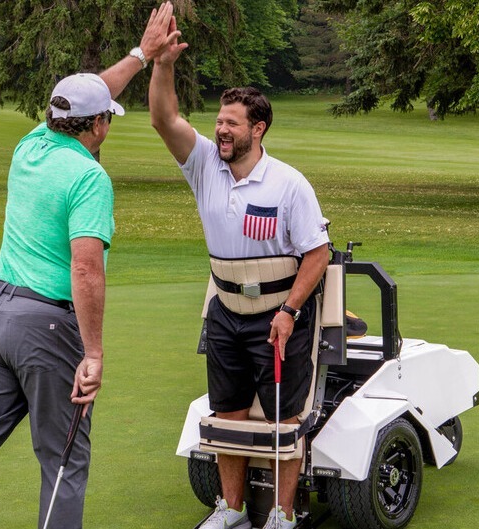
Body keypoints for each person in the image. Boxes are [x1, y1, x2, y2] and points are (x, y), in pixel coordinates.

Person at [0, 4, 181, 528]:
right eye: (106, 118)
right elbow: (86, 270)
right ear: (97, 125)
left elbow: (94, 88)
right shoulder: (88, 176)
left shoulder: (30, 145)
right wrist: (93, 352)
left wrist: (143, 55)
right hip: (47, 328)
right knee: (64, 458)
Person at [149, 27, 330, 529]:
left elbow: (318, 253)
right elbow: (164, 119)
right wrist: (162, 64)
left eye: (232, 123)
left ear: (259, 128)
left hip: (279, 314)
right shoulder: (205, 163)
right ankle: (230, 509)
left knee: (282, 420)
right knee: (227, 412)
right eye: (219, 122)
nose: (221, 130)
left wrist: (290, 312)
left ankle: (282, 513)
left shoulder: (289, 184)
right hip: (226, 310)